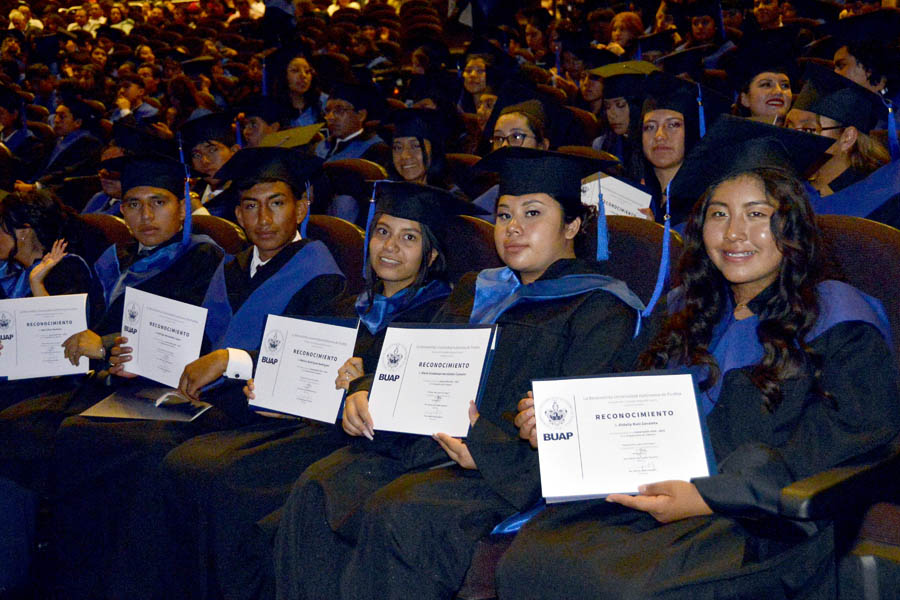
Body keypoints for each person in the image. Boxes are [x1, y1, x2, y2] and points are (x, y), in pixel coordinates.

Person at [498, 115, 898, 599]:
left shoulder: (838, 317)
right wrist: (564, 425)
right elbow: (620, 395)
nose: (734, 233)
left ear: (790, 221)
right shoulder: (687, 310)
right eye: (718, 214)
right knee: (531, 559)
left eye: (757, 213)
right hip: (660, 499)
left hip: (761, 523)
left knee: (623, 587)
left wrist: (706, 496)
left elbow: (847, 446)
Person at [272, 147, 647, 599]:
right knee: (320, 485)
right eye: (504, 215)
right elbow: (414, 360)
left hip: (505, 474)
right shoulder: (478, 288)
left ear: (571, 225)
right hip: (430, 448)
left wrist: (486, 452)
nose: (513, 228)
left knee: (401, 513)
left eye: (532, 213)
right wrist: (368, 389)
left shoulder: (600, 308)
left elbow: (582, 433)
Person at [50, 147, 345, 600]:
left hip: (258, 414)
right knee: (81, 432)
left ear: (302, 207)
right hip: (194, 400)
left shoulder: (322, 274)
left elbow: (311, 363)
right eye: (250, 205)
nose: (263, 218)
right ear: (239, 215)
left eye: (277, 203)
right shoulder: (231, 266)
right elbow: (192, 347)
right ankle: (83, 577)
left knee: (149, 455)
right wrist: (138, 357)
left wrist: (231, 359)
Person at [159, 180, 466, 600]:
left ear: (431, 255)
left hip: (370, 451)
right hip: (314, 431)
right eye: (382, 232)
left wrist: (361, 384)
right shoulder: (352, 303)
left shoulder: (442, 319)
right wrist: (277, 393)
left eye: (408, 237)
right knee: (189, 464)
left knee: (228, 486)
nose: (390, 247)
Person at [785, 63, 896, 226]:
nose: (793, 137)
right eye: (788, 126)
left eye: (809, 129)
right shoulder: (782, 186)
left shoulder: (883, 199)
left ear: (847, 137)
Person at [314, 81, 387, 165]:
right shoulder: (322, 146)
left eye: (339, 110)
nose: (330, 117)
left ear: (361, 115)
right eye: (327, 111)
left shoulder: (376, 150)